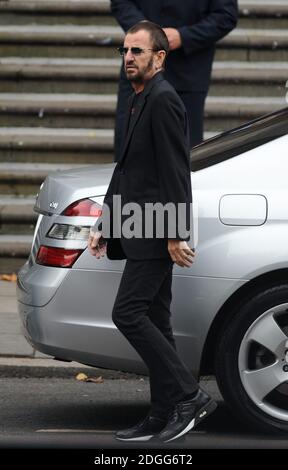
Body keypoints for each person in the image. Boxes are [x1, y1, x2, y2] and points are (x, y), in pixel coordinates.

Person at [88, 21, 217, 443]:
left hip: (157, 229)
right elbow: (125, 168)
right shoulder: (137, 99)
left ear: (159, 58)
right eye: (124, 51)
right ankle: (162, 412)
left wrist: (176, 232)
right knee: (157, 321)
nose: (128, 58)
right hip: (137, 226)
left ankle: (189, 395)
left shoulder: (163, 100)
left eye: (137, 52)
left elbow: (176, 171)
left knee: (127, 313)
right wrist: (105, 223)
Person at [111, 0, 238, 161]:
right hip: (139, 68)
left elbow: (226, 15)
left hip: (188, 71)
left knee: (181, 154)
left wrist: (183, 36)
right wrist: (145, 32)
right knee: (129, 149)